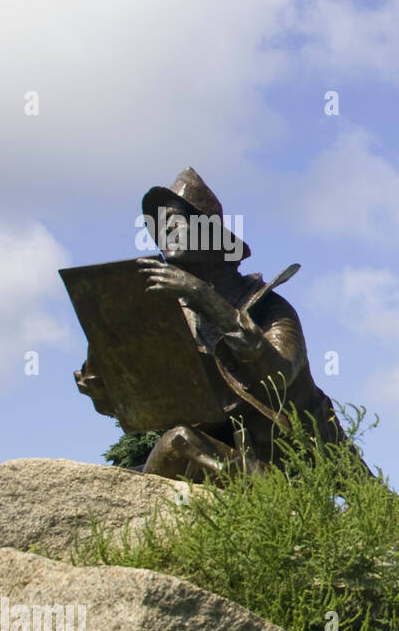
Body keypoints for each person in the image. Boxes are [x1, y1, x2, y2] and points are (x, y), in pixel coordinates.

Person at [74, 167, 344, 481]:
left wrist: (203, 296)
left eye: (177, 219)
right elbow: (150, 407)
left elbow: (277, 374)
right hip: (213, 459)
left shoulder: (269, 308)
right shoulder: (171, 319)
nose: (166, 229)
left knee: (177, 443)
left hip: (283, 471)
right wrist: (104, 390)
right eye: (160, 225)